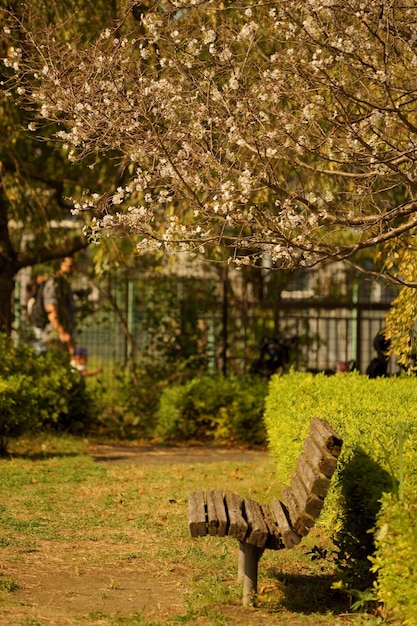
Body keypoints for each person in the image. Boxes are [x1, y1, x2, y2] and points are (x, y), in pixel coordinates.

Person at [42, 256, 76, 355]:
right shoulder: (54, 284)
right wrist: (62, 333)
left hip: (63, 336)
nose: (72, 270)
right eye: (69, 266)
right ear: (60, 265)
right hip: (54, 337)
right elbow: (51, 311)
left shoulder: (64, 284)